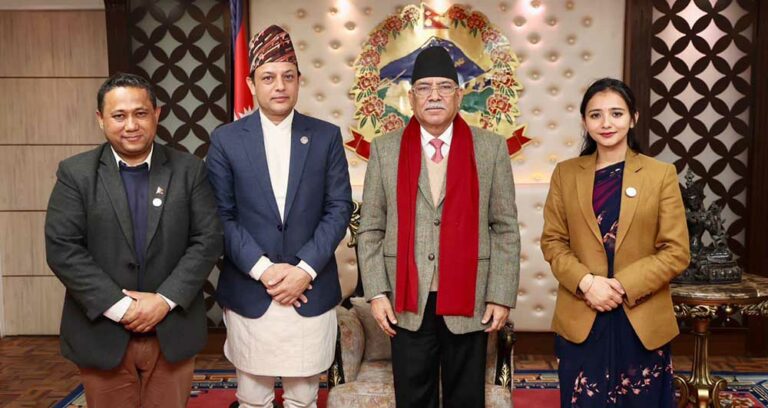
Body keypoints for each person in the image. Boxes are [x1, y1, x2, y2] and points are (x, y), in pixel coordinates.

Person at [44, 72, 223, 408]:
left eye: (140, 113)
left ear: (157, 113)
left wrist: (164, 300)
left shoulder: (189, 170)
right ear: (100, 119)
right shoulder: (75, 174)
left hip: (172, 329)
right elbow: (63, 249)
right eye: (119, 115)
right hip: (102, 332)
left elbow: (207, 240)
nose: (131, 125)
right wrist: (122, 307)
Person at [357, 46, 520, 408]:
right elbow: (370, 229)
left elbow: (505, 227)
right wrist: (377, 293)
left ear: (459, 95)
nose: (434, 95)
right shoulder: (385, 150)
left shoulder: (490, 148)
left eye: (444, 87)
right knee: (413, 399)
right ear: (411, 96)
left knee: (466, 399)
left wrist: (500, 293)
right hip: (406, 301)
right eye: (424, 87)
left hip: (470, 297)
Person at [206, 25, 352, 408]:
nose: (280, 86)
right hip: (251, 288)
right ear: (251, 84)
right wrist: (265, 271)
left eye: (288, 76)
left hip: (310, 289)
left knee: (304, 398)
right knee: (252, 398)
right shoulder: (226, 139)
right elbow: (221, 215)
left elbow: (339, 208)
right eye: (268, 77)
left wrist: (304, 269)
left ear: (299, 81)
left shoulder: (325, 136)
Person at [540, 77, 690, 407]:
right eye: (596, 115)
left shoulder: (660, 174)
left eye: (616, 113)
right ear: (584, 122)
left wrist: (620, 286)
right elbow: (553, 242)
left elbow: (676, 251)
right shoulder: (566, 173)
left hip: (640, 315)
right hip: (583, 309)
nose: (606, 123)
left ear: (633, 118)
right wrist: (587, 283)